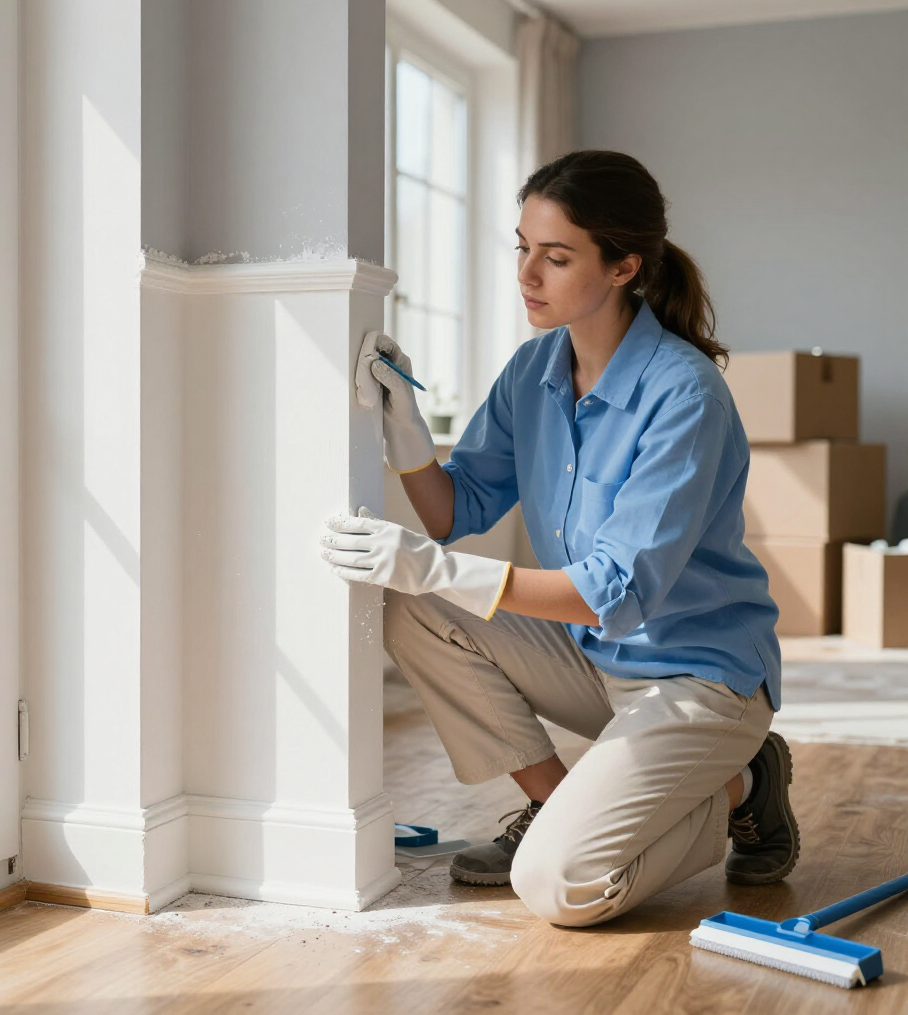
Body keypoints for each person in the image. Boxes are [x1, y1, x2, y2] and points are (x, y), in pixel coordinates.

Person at [319, 150, 797, 928]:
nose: (527, 274)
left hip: (698, 677)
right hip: (593, 656)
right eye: (522, 248)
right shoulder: (533, 371)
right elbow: (452, 511)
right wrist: (400, 432)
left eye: (556, 255)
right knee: (415, 607)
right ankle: (551, 804)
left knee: (563, 889)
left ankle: (745, 781)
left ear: (623, 267)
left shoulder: (684, 395)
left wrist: (436, 565)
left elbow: (616, 587)